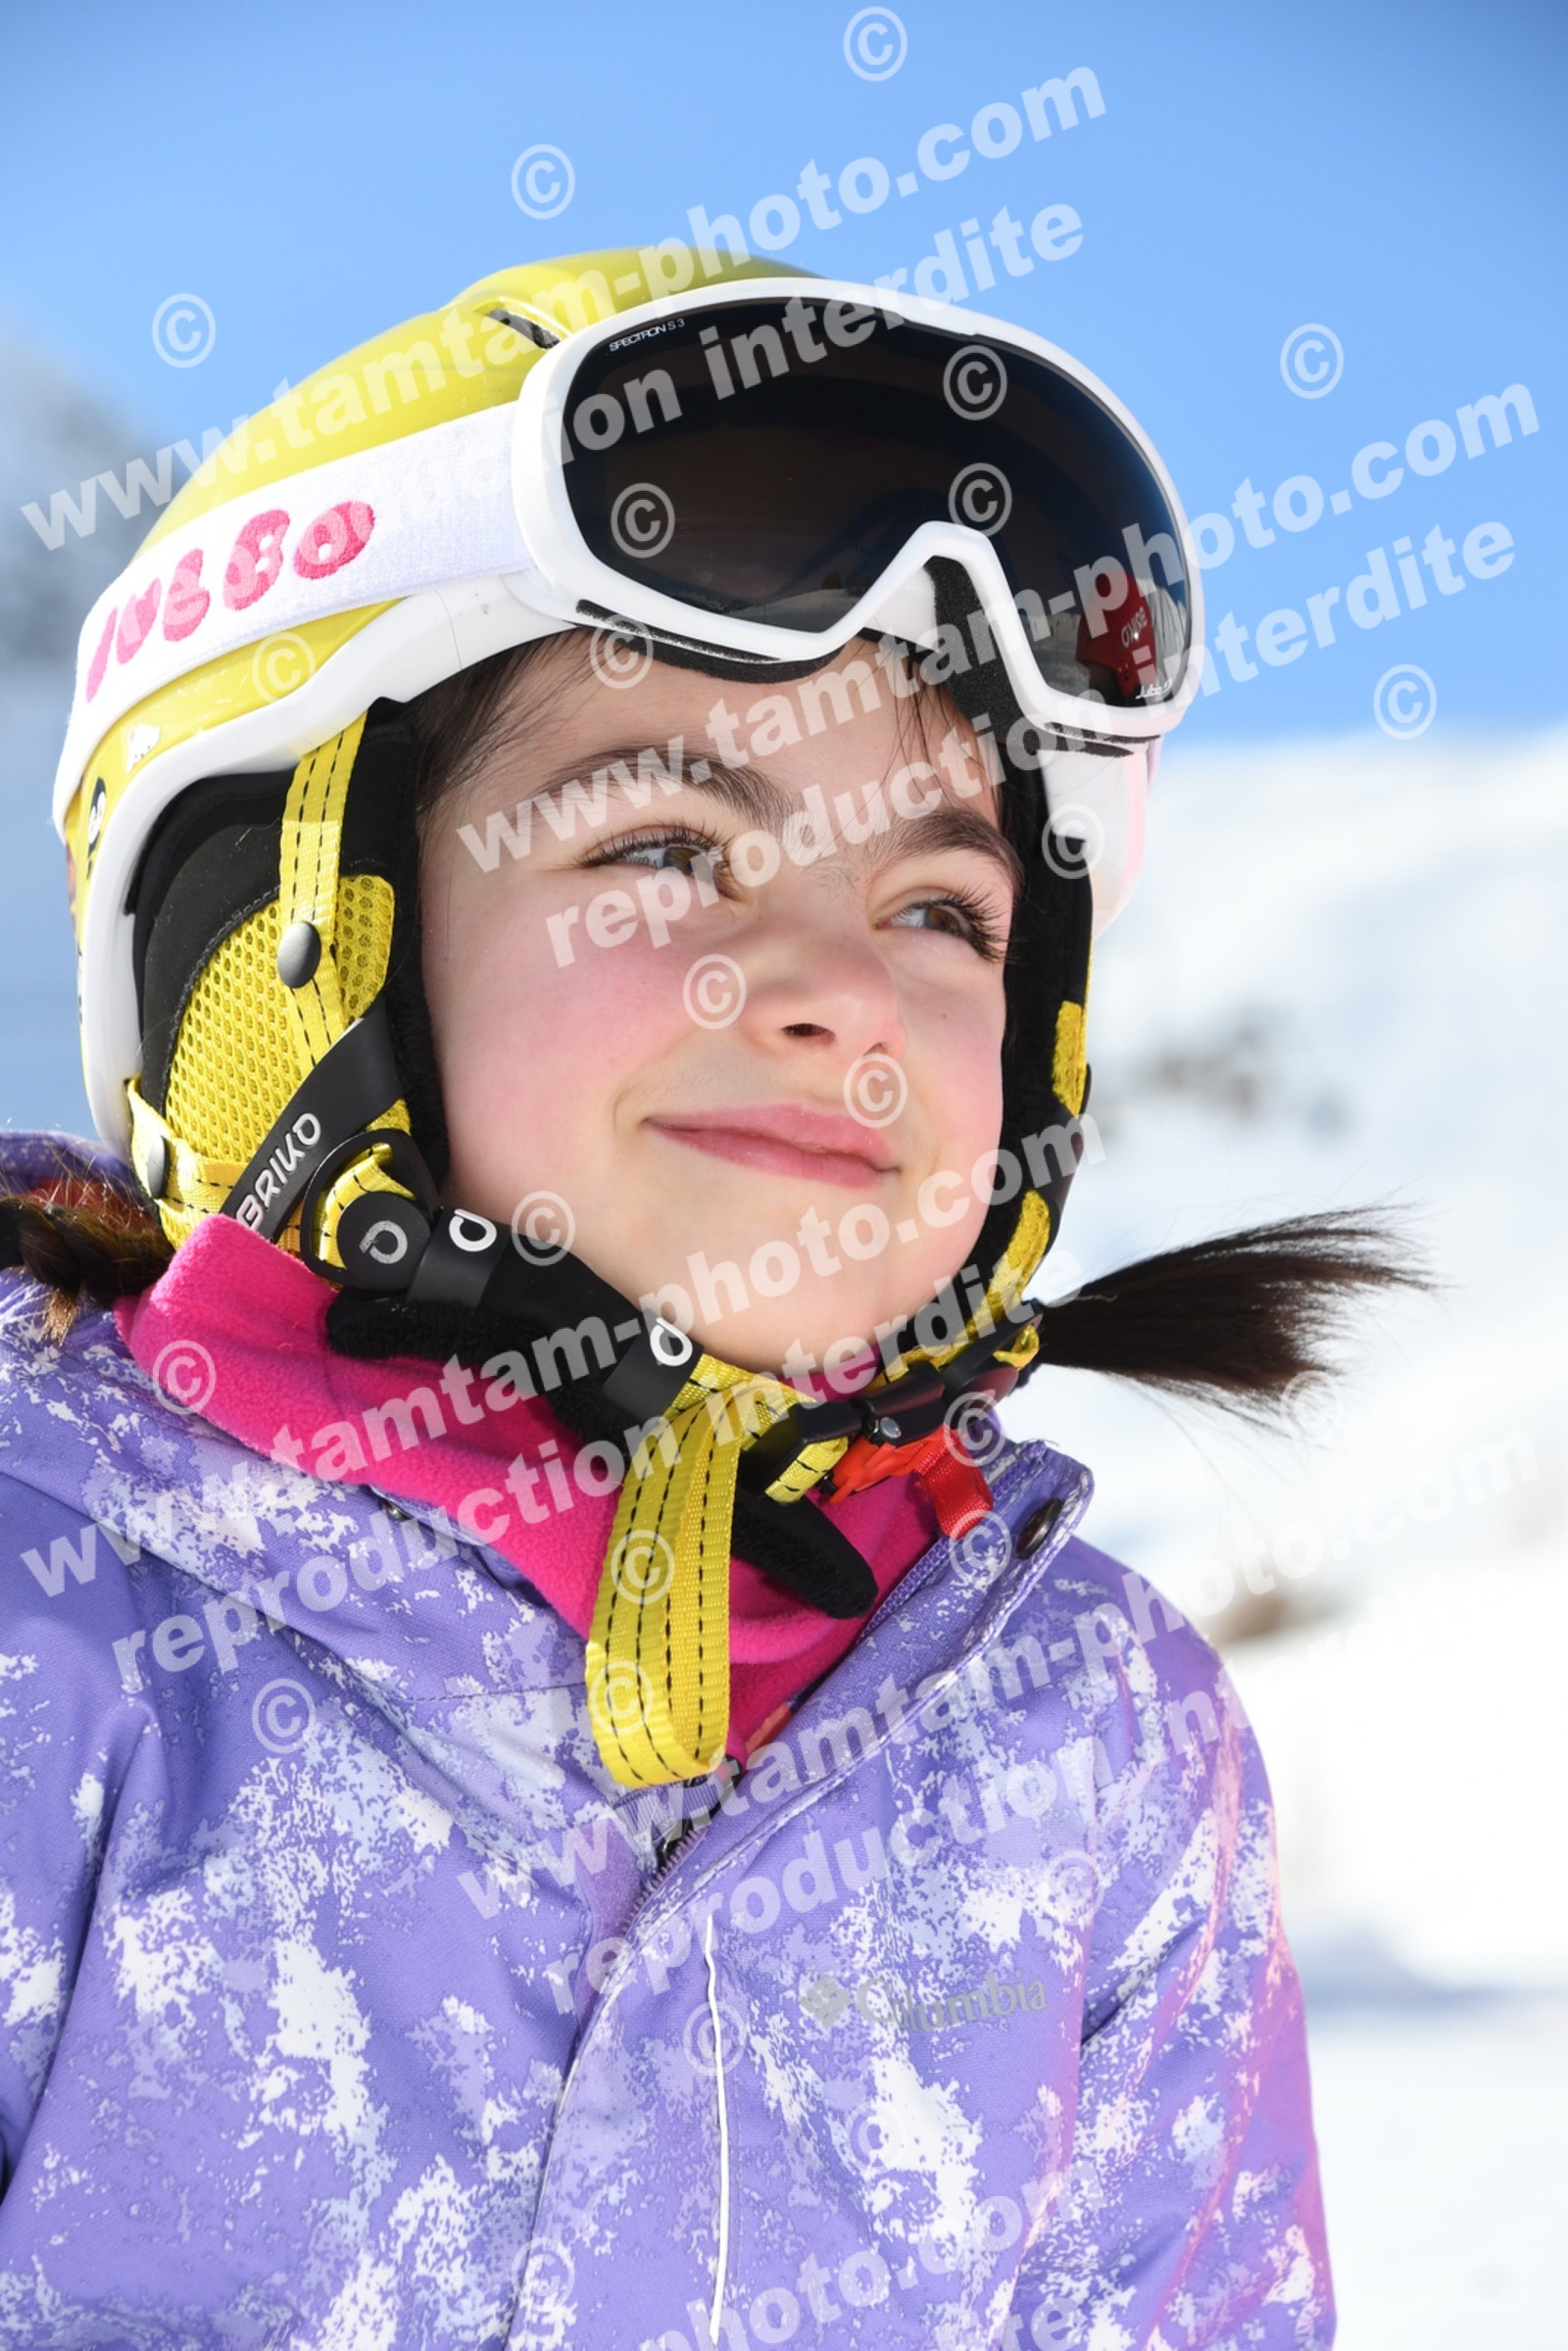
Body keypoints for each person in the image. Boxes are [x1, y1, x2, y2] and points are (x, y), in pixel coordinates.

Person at [0, 249, 1398, 2346]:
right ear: (277, 937)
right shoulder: (56, 1622)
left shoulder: (1094, 1745)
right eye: (664, 847)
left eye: (943, 907)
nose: (844, 992)